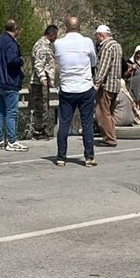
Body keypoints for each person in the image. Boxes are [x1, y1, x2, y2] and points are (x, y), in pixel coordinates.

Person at [53, 16, 98, 167]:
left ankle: (61, 157)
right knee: (87, 123)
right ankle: (89, 157)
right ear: (80, 27)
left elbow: (59, 60)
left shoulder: (58, 44)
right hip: (84, 86)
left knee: (64, 123)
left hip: (67, 87)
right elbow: (93, 61)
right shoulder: (87, 42)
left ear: (65, 28)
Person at [0, 19, 29, 151]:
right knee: (12, 112)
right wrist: (20, 61)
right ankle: (12, 141)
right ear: (15, 30)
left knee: (0, 111)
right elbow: (11, 59)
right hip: (9, 81)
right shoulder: (11, 43)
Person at [93, 25, 123, 147]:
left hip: (106, 85)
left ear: (101, 35)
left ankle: (109, 139)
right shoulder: (117, 45)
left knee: (102, 112)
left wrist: (97, 82)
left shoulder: (106, 47)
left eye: (97, 36)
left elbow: (103, 66)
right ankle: (111, 135)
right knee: (109, 112)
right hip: (115, 83)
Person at [29, 24, 58, 140]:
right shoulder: (42, 46)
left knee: (41, 106)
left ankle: (41, 129)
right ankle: (39, 130)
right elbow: (38, 64)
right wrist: (43, 78)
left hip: (41, 81)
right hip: (39, 82)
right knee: (41, 107)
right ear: (51, 34)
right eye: (55, 35)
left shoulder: (42, 44)